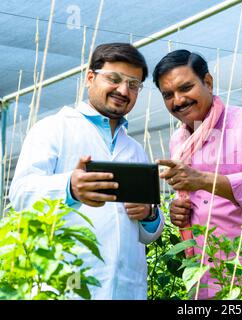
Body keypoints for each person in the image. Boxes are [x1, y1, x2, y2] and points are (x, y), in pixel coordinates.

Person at [9, 43, 164, 300]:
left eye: (133, 84)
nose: (123, 90)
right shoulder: (54, 129)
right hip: (68, 286)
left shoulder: (135, 149)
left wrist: (149, 213)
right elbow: (20, 193)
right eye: (114, 79)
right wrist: (70, 187)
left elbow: (147, 234)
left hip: (127, 288)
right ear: (90, 78)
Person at [153, 49, 242, 299]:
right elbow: (193, 199)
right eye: (168, 95)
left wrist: (201, 179)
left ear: (208, 82)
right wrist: (178, 210)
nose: (178, 100)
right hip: (207, 266)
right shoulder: (179, 140)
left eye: (186, 88)